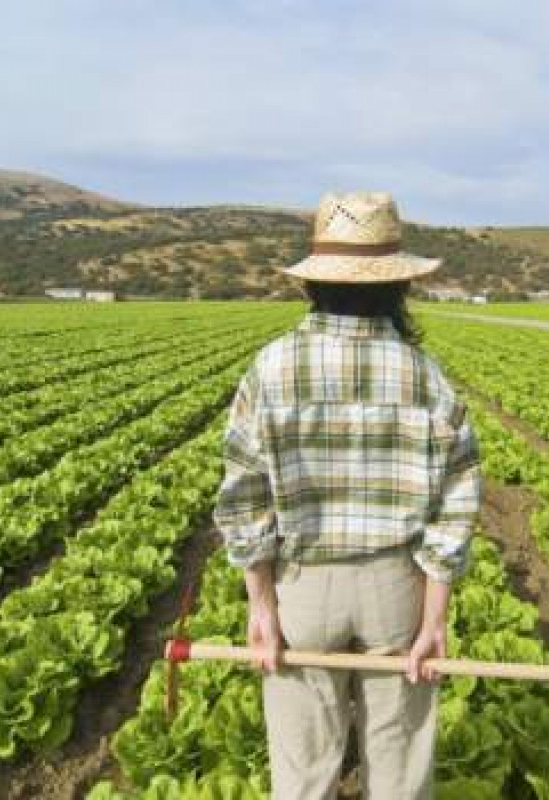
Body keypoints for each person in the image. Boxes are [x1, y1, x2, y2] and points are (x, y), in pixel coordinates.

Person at [214, 191, 482, 799]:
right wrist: (434, 617)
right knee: (399, 764)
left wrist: (261, 603)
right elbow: (458, 502)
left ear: (312, 284)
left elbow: (244, 498)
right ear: (398, 286)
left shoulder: (271, 368)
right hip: (397, 587)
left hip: (302, 586)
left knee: (304, 770)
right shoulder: (426, 375)